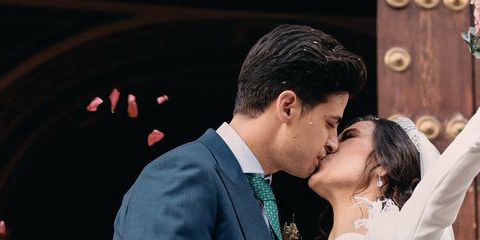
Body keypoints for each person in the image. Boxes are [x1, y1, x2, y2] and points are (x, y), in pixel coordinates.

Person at [113, 24, 367, 240]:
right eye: (330, 123)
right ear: (288, 108)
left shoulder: (255, 189)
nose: (333, 143)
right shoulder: (185, 174)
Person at [308, 36, 480, 240]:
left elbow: (451, 175)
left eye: (348, 136)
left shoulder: (405, 233)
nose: (331, 144)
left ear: (383, 166)